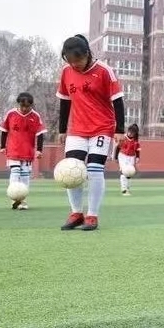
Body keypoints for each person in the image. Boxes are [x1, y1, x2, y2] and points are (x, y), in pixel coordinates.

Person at [57, 34, 125, 231]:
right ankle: (76, 213)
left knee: (94, 169)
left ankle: (92, 215)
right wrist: (62, 129)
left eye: (77, 60)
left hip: (101, 128)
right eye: (70, 61)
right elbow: (64, 101)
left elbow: (118, 100)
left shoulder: (104, 71)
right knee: (72, 169)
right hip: (76, 129)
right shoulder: (66, 72)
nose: (74, 64)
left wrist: (120, 129)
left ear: (87, 54)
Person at [0, 92, 46, 210]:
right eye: (22, 106)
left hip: (27, 152)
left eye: (27, 106)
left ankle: (22, 200)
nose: (25, 109)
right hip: (13, 150)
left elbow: (40, 134)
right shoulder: (11, 114)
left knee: (25, 175)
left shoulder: (35, 116)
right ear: (18, 104)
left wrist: (39, 150)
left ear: (31, 105)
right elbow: (4, 131)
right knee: (15, 172)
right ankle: (14, 198)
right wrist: (3, 146)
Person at [113, 123, 140, 196]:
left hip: (131, 157)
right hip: (122, 156)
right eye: (130, 131)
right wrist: (116, 157)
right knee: (124, 172)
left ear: (135, 134)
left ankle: (127, 188)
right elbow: (118, 148)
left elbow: (137, 150)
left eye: (133, 133)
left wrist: (137, 157)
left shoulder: (136, 141)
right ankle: (124, 189)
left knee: (130, 173)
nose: (130, 133)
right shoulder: (123, 138)